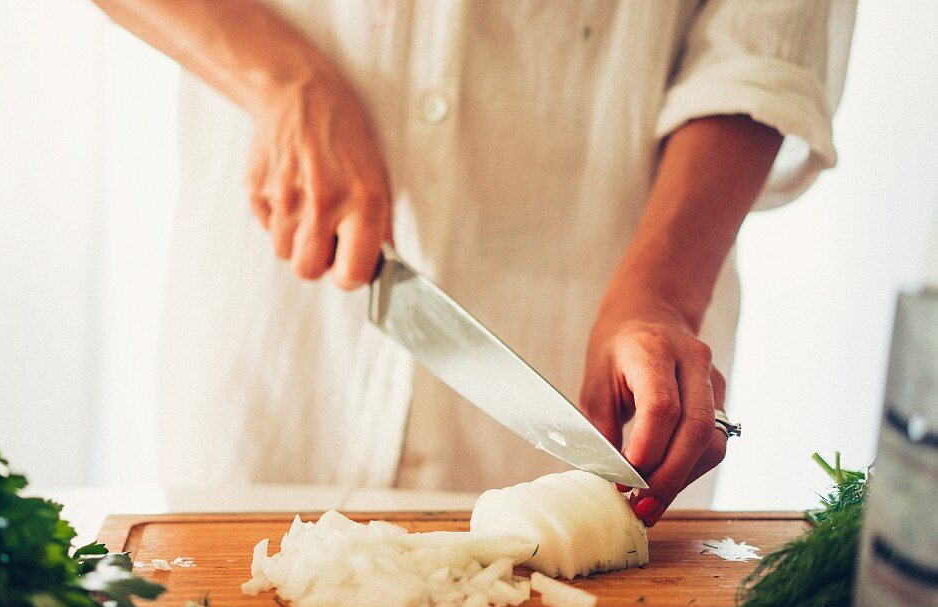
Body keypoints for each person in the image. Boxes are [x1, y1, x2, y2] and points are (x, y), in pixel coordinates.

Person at [94, 0, 855, 523]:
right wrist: (280, 78)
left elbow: (764, 32)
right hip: (275, 345)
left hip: (601, 338)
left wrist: (661, 291)